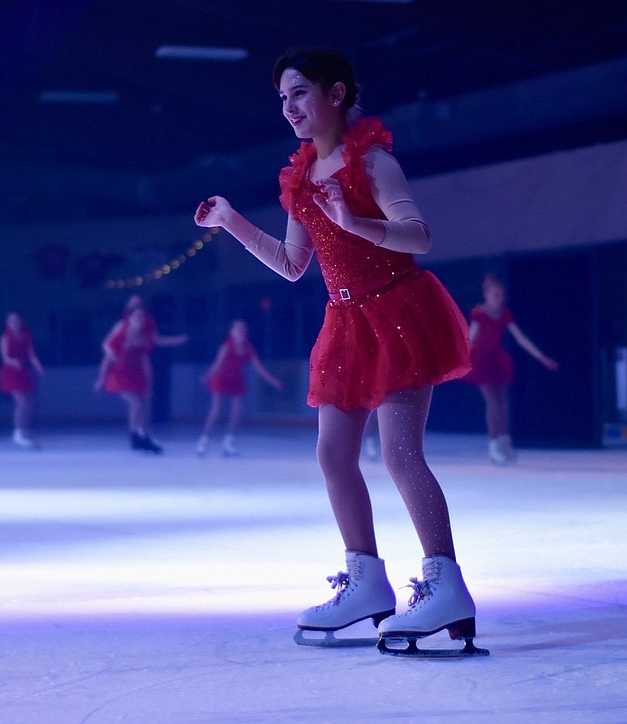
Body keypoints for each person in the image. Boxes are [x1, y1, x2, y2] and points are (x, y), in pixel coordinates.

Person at [194, 48, 485, 656]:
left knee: (402, 455)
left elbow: (421, 236)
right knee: (333, 455)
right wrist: (232, 222)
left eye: (299, 93)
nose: (289, 108)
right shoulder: (299, 179)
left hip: (398, 312)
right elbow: (294, 264)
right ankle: (366, 580)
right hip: (346, 322)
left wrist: (358, 224)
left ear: (336, 94)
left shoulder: (372, 162)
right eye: (282, 99)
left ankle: (445, 582)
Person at [462, 273, 558, 464]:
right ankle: (494, 446)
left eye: (502, 295)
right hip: (480, 360)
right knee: (492, 402)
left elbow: (520, 338)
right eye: (496, 295)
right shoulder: (479, 314)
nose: (500, 299)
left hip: (496, 359)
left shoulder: (505, 313)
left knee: (503, 402)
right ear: (486, 294)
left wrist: (541, 356)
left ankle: (504, 442)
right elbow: (470, 338)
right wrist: (459, 358)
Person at [96, 299, 187, 453]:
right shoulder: (122, 334)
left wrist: (177, 341)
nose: (140, 320)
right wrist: (101, 378)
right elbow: (108, 357)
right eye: (137, 317)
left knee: (144, 405)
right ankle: (135, 436)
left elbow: (156, 344)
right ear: (129, 319)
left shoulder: (145, 337)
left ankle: (144, 437)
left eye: (142, 317)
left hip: (137, 375)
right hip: (119, 375)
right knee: (136, 403)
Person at [197, 319, 283, 456]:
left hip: (236, 379)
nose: (241, 331)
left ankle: (229, 441)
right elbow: (217, 364)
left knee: (237, 410)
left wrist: (272, 381)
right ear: (231, 332)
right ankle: (204, 440)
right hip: (221, 378)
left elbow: (258, 367)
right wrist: (208, 375)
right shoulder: (227, 346)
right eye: (238, 329)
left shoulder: (248, 348)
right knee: (216, 411)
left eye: (243, 329)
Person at [0, 312, 44, 448]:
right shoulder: (5, 337)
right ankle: (17, 433)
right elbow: (5, 357)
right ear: (8, 323)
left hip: (23, 371)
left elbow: (31, 354)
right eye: (11, 321)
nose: (14, 323)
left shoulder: (26, 334)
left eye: (16, 320)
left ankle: (24, 429)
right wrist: (14, 362)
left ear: (20, 321)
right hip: (10, 371)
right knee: (21, 402)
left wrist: (37, 365)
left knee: (29, 402)